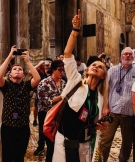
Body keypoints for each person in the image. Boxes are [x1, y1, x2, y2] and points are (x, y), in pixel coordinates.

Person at [52, 9, 109, 162]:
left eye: (100, 66)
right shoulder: (75, 80)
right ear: (88, 68)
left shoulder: (99, 97)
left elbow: (92, 121)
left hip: (85, 142)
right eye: (93, 64)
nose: (95, 66)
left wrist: (98, 127)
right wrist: (75, 30)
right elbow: (67, 53)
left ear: (103, 76)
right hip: (65, 140)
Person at [0, 45, 40, 162]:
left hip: (23, 127)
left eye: (20, 69)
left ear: (23, 75)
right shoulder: (6, 85)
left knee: (19, 156)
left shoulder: (26, 86)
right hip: (8, 126)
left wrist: (28, 61)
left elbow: (37, 78)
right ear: (9, 75)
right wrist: (10, 57)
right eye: (14, 69)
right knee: (7, 156)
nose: (17, 70)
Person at [100, 47, 135, 162]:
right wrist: (106, 107)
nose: (128, 56)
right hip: (113, 112)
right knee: (105, 140)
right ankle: (101, 160)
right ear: (121, 57)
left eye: (130, 54)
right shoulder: (112, 70)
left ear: (133, 57)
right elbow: (106, 89)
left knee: (127, 143)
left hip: (129, 114)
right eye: (125, 54)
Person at [34, 60, 67, 161]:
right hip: (47, 114)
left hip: (60, 115)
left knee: (59, 142)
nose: (62, 72)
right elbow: (44, 101)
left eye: (63, 70)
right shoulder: (44, 83)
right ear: (53, 70)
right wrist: (61, 97)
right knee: (50, 142)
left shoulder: (63, 83)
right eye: (59, 70)